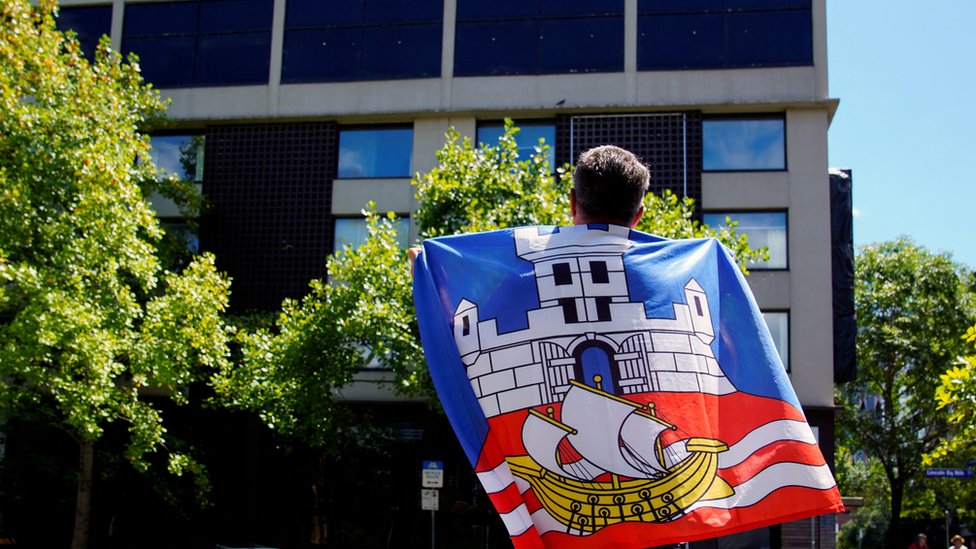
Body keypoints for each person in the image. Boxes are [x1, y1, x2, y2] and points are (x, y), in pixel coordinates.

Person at [408, 144, 651, 271]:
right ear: (638, 215)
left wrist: (430, 283)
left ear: (572, 203)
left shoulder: (523, 267)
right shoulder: (672, 277)